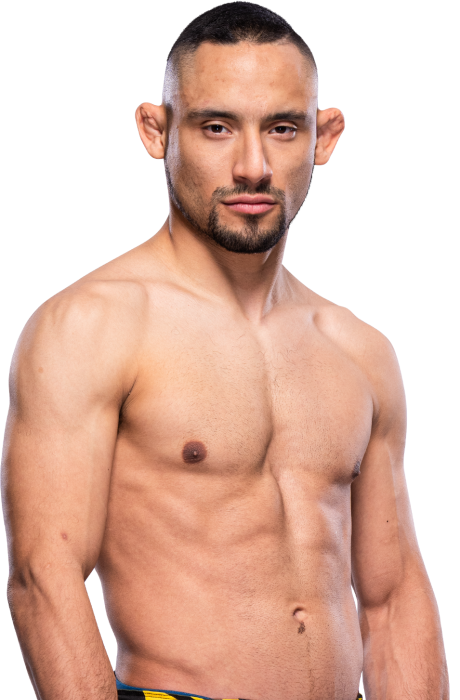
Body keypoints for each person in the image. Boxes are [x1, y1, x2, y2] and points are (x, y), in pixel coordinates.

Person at [2, 2, 448, 699]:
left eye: (282, 128)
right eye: (216, 127)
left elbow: (393, 599)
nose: (252, 167)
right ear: (156, 131)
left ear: (324, 137)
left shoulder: (360, 350)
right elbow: (44, 578)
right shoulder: (93, 325)